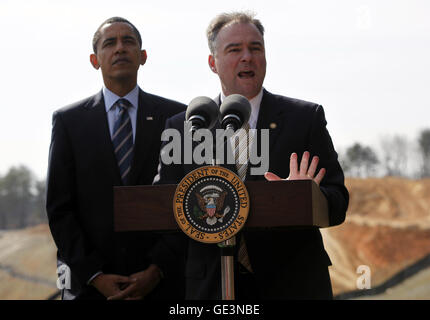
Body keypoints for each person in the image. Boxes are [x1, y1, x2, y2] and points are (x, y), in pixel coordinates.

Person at [154, 12, 349, 299]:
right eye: (234, 49)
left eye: (255, 48)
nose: (247, 57)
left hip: (292, 283)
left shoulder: (305, 119)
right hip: (211, 287)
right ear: (213, 63)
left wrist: (302, 197)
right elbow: (163, 209)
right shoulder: (183, 128)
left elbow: (338, 202)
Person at [46, 17, 186, 300]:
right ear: (94, 60)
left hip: (163, 285)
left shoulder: (178, 119)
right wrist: (94, 275)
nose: (119, 48)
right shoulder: (68, 122)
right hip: (90, 288)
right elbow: (60, 209)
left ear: (143, 56)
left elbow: (186, 200)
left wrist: (157, 269)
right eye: (109, 43)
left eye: (128, 41)